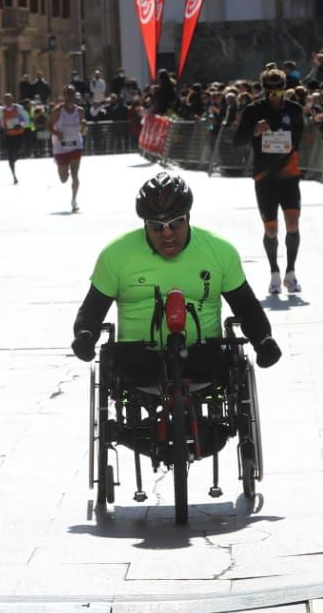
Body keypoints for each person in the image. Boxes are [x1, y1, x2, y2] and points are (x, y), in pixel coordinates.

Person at [69, 173, 282, 458]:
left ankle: (209, 433)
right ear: (144, 224)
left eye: (175, 224)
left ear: (188, 218)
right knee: (123, 361)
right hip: (139, 363)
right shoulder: (115, 256)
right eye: (156, 227)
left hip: (204, 359)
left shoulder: (219, 252)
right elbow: (92, 309)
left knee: (224, 358)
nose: (167, 233)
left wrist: (263, 339)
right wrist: (85, 335)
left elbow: (245, 304)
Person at [233, 68, 306, 295]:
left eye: (278, 90)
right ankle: (274, 272)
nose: (274, 95)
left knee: (293, 222)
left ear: (285, 89)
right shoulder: (253, 110)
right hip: (264, 177)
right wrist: (255, 131)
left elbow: (300, 137)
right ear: (264, 90)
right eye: (270, 91)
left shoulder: (293, 110)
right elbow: (237, 140)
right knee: (271, 229)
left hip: (289, 175)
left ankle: (290, 273)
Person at [50, 84, 86, 212]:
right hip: (60, 148)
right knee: (64, 179)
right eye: (67, 94)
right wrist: (57, 133)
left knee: (75, 175)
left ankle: (74, 201)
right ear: (63, 96)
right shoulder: (58, 111)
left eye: (72, 93)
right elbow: (48, 125)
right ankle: (64, 168)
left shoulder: (80, 111)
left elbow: (84, 131)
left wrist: (84, 126)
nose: (70, 96)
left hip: (76, 145)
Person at [0, 92, 31, 184]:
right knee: (10, 155)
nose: (7, 101)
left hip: (18, 134)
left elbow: (26, 119)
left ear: (12, 100)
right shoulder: (2, 110)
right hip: (9, 135)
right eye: (5, 100)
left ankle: (16, 157)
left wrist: (21, 125)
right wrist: (3, 128)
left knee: (18, 151)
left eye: (9, 99)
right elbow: (1, 121)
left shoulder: (18, 108)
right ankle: (14, 175)